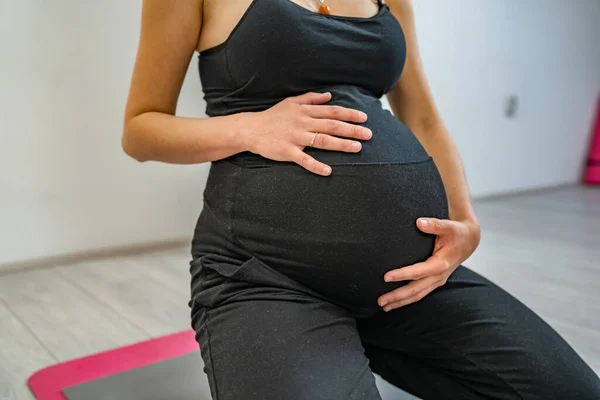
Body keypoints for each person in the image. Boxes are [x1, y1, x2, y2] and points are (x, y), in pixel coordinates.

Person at [122, 0, 600, 398]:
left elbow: (424, 116)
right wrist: (248, 126)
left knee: (574, 391)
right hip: (266, 276)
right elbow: (140, 130)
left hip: (409, 280)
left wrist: (466, 222)